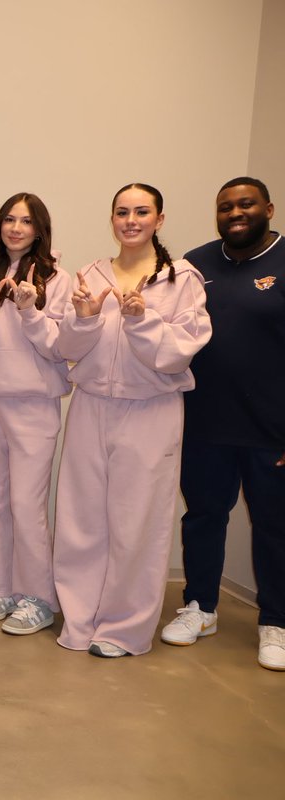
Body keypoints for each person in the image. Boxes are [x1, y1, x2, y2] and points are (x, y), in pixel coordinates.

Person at [54, 183, 211, 658]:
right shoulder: (92, 274)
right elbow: (67, 350)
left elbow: (180, 351)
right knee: (81, 519)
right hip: (92, 405)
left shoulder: (181, 279)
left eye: (142, 212)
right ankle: (80, 620)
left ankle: (122, 629)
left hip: (151, 410)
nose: (131, 220)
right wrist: (82, 319)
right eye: (122, 212)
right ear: (112, 219)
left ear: (159, 219)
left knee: (136, 523)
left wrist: (143, 320)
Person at [160, 177, 285, 671]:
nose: (235, 212)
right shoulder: (195, 264)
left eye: (246, 204)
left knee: (275, 527)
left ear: (268, 209)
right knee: (203, 517)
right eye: (226, 206)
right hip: (206, 423)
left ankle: (276, 621)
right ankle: (200, 607)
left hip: (271, 431)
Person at [0, 193, 70, 635]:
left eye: (26, 221)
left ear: (40, 228)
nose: (16, 228)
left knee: (26, 504)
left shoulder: (57, 279)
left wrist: (28, 309)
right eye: (9, 219)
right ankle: (1, 588)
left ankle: (38, 598)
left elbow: (58, 347)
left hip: (33, 403)